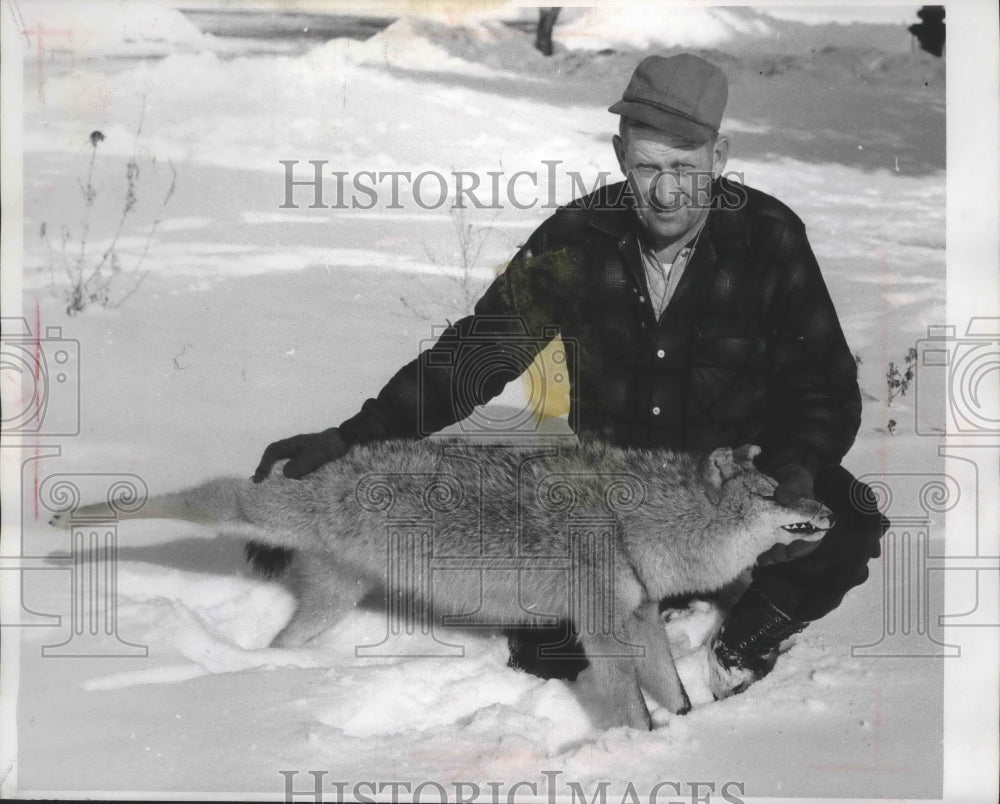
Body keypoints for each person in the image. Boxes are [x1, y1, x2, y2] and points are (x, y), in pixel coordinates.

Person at [252, 54, 887, 698]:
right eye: (647, 167)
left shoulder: (770, 238)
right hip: (607, 509)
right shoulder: (577, 237)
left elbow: (824, 383)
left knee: (851, 519)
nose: (665, 191)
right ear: (619, 156)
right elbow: (480, 352)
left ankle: (737, 645)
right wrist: (356, 435)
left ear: (719, 157)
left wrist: (797, 468)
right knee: (551, 662)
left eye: (684, 169)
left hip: (724, 500)